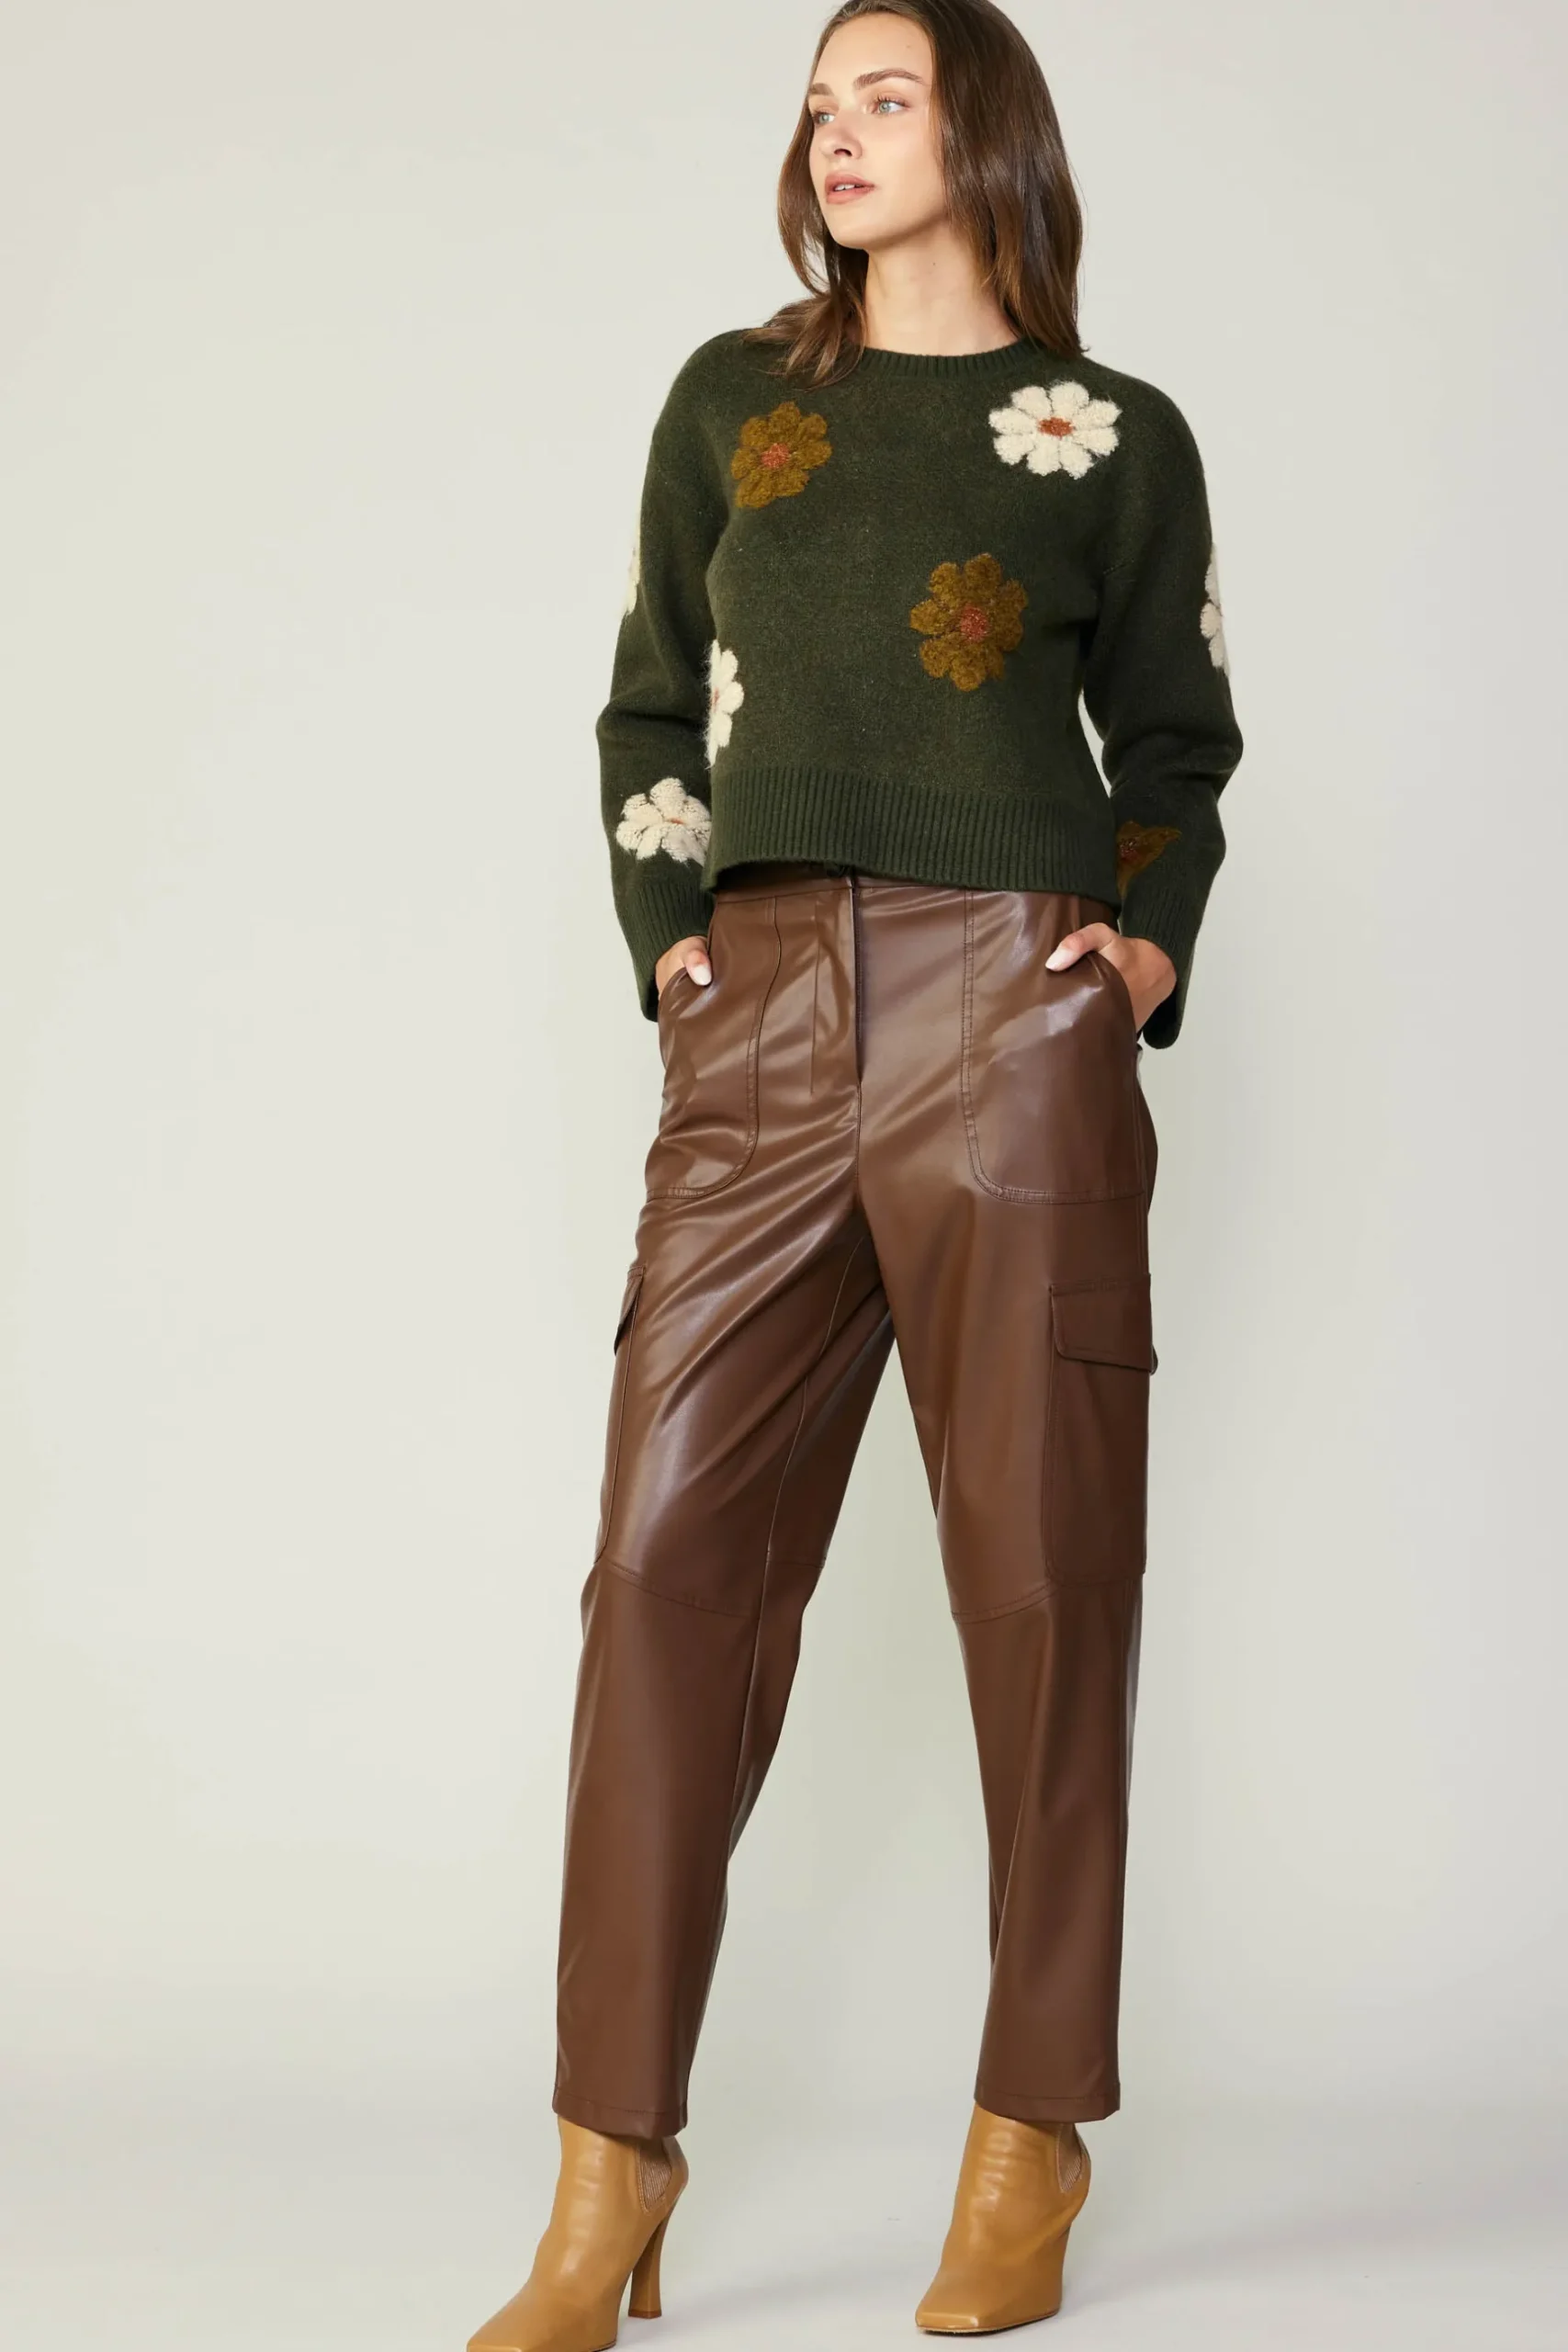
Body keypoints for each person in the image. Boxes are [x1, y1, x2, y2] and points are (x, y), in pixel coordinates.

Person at [467, 0, 1243, 2342]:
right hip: (766, 1013)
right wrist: (674, 948)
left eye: (882, 94)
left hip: (1013, 1011)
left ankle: (1032, 2132)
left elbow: (1178, 740)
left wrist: (1133, 950)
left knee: (1041, 1585)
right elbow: (647, 699)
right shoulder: (737, 400)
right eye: (818, 103)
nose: (837, 129)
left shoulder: (1110, 433)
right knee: (660, 1568)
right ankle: (609, 2167)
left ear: (985, 129)